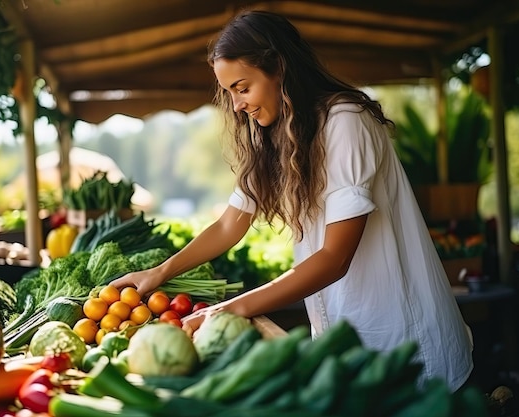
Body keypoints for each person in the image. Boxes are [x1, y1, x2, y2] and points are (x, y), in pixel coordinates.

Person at [112, 10, 473, 391]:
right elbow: (229, 224)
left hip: (404, 339)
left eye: (243, 87)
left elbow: (335, 258)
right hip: (343, 339)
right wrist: (158, 274)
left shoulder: (345, 122)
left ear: (279, 70)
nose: (236, 105)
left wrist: (228, 309)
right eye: (230, 92)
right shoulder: (275, 134)